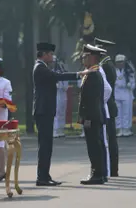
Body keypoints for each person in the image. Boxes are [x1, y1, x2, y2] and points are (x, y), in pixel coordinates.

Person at [33, 42, 84, 186]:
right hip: (43, 111)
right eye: (50, 54)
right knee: (45, 145)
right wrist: (79, 74)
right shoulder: (40, 68)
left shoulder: (43, 67)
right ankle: (42, 177)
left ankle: (45, 175)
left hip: (46, 110)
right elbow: (57, 76)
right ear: (44, 54)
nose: (52, 56)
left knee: (47, 145)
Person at [79, 44, 107, 185]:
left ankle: (97, 174)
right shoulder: (92, 73)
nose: (83, 59)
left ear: (92, 58)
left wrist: (87, 118)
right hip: (94, 115)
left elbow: (91, 100)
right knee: (96, 144)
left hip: (92, 116)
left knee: (94, 146)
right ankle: (99, 173)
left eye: (85, 56)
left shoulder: (93, 75)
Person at [94, 37, 119, 177]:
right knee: (111, 138)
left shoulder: (105, 66)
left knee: (109, 139)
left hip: (107, 105)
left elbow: (106, 89)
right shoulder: (107, 64)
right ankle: (112, 169)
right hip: (109, 104)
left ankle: (112, 169)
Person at [114, 54, 136, 137]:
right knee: (117, 113)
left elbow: (133, 83)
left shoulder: (129, 70)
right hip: (116, 93)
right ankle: (119, 129)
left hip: (126, 93)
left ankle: (126, 129)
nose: (120, 64)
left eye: (121, 62)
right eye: (118, 62)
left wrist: (130, 85)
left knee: (127, 112)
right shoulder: (113, 70)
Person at [52, 55, 69, 138]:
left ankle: (61, 129)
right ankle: (55, 130)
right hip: (55, 94)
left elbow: (66, 84)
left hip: (63, 93)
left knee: (62, 111)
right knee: (56, 112)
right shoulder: (50, 71)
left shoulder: (62, 71)